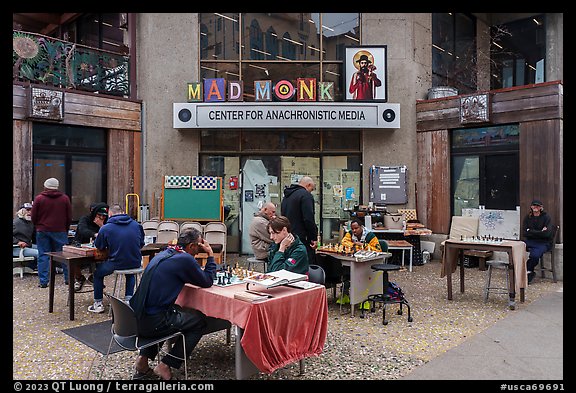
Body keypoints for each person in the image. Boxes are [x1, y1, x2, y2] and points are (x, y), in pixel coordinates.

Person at [131, 228, 217, 380]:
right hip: (153, 323)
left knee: (171, 311)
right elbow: (207, 281)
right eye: (200, 245)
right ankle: (165, 365)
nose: (201, 248)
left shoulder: (165, 253)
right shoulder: (185, 259)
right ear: (191, 246)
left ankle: (142, 361)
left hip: (135, 318)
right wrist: (210, 255)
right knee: (199, 323)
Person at [89, 203, 144, 313]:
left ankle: (98, 303)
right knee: (130, 272)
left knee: (97, 274)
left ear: (110, 214)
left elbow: (99, 246)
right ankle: (129, 299)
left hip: (116, 262)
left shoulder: (106, 228)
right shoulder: (136, 225)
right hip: (135, 262)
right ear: (123, 212)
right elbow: (141, 243)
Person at [31, 177, 72, 288]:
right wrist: (65, 228)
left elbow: (33, 216)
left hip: (43, 230)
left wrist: (37, 226)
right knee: (64, 255)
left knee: (43, 255)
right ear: (57, 187)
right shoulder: (64, 199)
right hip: (60, 230)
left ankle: (44, 281)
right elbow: (69, 217)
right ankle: (68, 279)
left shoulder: (39, 199)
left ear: (45, 186)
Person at [281, 176, 318, 265]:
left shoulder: (286, 196)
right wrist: (313, 237)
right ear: (308, 185)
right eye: (311, 189)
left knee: (292, 263)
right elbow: (308, 219)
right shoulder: (306, 196)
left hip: (289, 237)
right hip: (301, 238)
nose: (310, 191)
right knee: (306, 263)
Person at [72, 202, 109, 292]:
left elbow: (109, 233)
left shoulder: (105, 221)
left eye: (104, 216)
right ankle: (79, 278)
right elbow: (82, 229)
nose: (102, 218)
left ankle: (95, 277)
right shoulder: (85, 219)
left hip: (97, 248)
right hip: (80, 244)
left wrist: (101, 226)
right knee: (72, 262)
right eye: (100, 215)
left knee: (106, 258)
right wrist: (95, 234)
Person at [522, 199, 554, 284]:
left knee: (535, 255)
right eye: (534, 205)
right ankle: (519, 271)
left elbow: (547, 234)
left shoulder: (546, 217)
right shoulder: (527, 217)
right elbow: (524, 233)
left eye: (538, 206)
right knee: (517, 247)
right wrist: (540, 232)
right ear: (531, 207)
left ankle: (528, 271)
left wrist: (531, 231)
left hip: (543, 242)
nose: (535, 207)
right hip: (530, 241)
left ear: (541, 208)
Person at [13, 202, 38, 269]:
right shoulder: (15, 222)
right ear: (21, 211)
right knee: (39, 253)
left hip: (28, 245)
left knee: (45, 249)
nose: (29, 212)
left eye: (31, 210)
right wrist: (17, 242)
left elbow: (34, 236)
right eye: (27, 210)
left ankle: (35, 267)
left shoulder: (31, 223)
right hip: (16, 248)